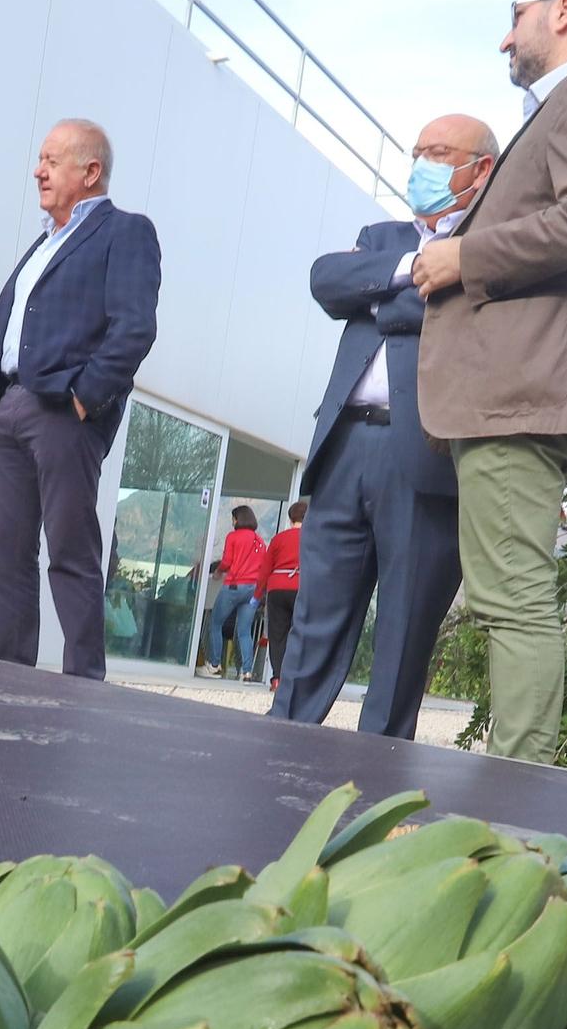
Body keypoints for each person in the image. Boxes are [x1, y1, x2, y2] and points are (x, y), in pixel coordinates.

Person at [414, 0, 567, 765]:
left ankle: (512, 811)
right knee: (507, 600)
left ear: (562, 8)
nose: (502, 36)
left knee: (511, 601)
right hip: (518, 393)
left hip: (524, 394)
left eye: (514, 13)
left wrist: (463, 257)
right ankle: (515, 799)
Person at [271, 114, 497, 738]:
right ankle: (278, 748)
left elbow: (472, 320)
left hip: (425, 453)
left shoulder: (491, 245)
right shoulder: (385, 234)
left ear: (481, 168)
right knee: (316, 621)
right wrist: (409, 274)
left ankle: (374, 788)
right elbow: (326, 279)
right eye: (417, 150)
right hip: (345, 443)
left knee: (403, 634)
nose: (420, 162)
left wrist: (373, 289)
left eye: (438, 152)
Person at [0, 119, 162, 680]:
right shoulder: (44, 241)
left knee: (71, 553)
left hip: (62, 412)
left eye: (51, 160)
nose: (38, 170)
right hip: (4, 407)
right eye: (40, 158)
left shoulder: (125, 232)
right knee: (6, 555)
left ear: (90, 171)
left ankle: (84, 686)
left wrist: (84, 400)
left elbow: (133, 329)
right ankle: (9, 677)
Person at [202, 504, 267, 679]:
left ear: (238, 519)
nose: (232, 522)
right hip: (252, 589)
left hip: (234, 586)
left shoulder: (233, 537)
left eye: (233, 518)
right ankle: (246, 671)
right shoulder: (259, 541)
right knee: (244, 631)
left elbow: (227, 561)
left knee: (215, 623)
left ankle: (214, 665)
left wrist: (217, 572)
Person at [253, 497, 307, 687]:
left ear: (291, 519)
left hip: (277, 588)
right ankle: (295, 678)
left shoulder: (278, 539)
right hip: (302, 588)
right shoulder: (313, 538)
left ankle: (278, 678)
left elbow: (265, 569)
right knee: (300, 633)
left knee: (277, 634)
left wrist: (257, 595)